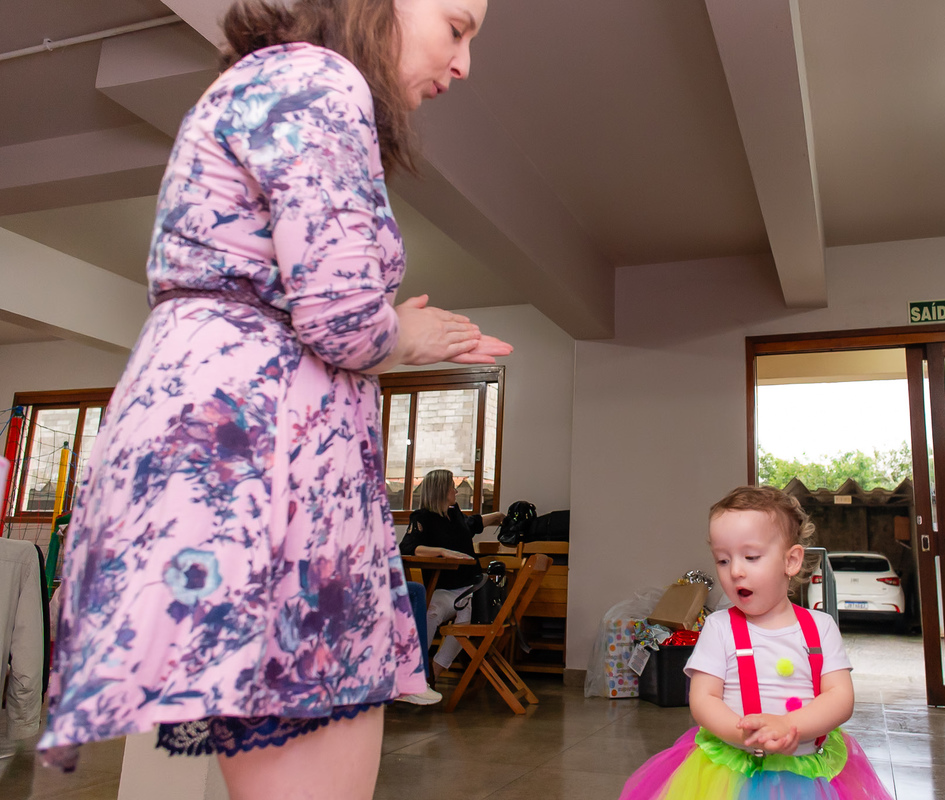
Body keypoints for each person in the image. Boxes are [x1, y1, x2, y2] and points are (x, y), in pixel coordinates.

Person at [37, 0, 504, 797]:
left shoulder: (273, 80)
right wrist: (406, 338)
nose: (464, 65)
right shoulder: (319, 77)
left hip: (243, 449)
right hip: (259, 464)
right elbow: (345, 321)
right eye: (457, 27)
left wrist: (384, 328)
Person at [619, 486, 893, 800]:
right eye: (722, 560)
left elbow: (840, 697)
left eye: (751, 557)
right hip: (731, 774)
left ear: (790, 561)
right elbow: (704, 698)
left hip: (805, 771)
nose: (735, 571)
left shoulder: (821, 627)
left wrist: (789, 726)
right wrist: (743, 732)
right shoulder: (719, 628)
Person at [398, 469, 504, 681]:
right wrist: (441, 551)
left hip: (469, 587)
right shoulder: (422, 518)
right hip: (443, 589)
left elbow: (472, 524)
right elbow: (407, 547)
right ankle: (411, 673)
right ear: (440, 491)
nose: (455, 491)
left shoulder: (454, 514)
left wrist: (499, 517)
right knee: (430, 614)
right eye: (451, 488)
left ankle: (431, 676)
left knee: (466, 616)